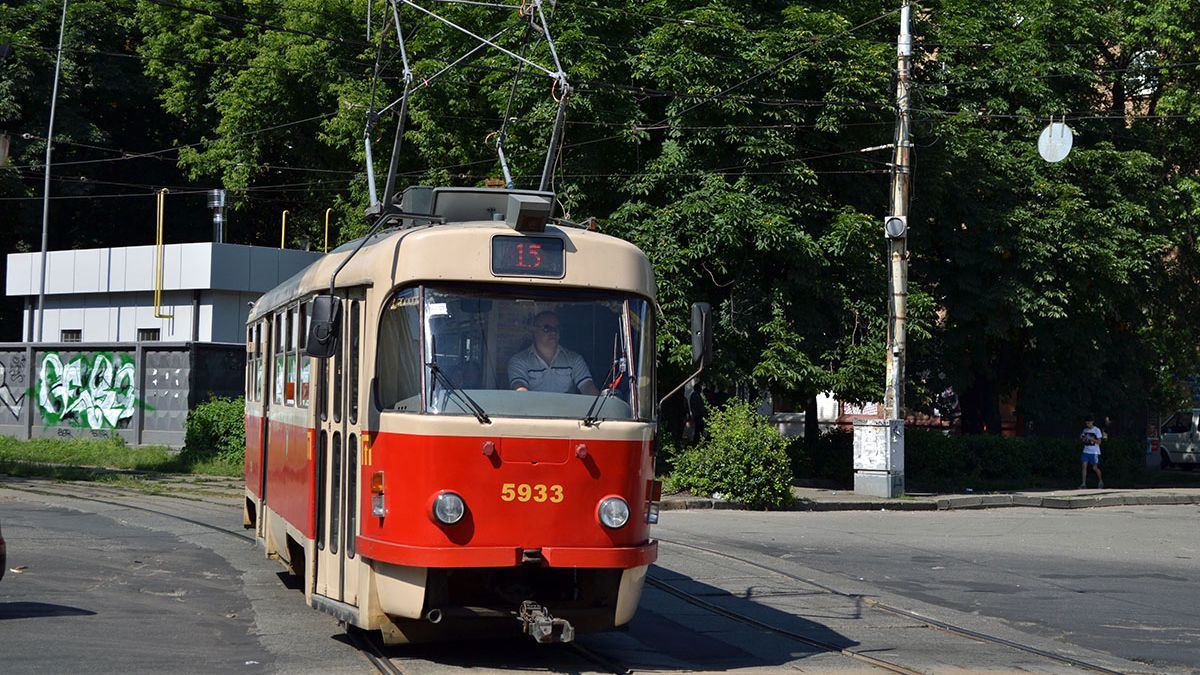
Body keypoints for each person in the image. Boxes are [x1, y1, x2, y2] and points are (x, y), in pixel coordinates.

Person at [508, 311, 599, 395]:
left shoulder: (575, 359)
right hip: (532, 411)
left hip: (568, 412)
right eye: (547, 328)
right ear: (534, 331)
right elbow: (520, 391)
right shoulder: (519, 360)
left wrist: (601, 402)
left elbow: (587, 387)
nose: (553, 332)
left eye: (557, 328)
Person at [1079, 414, 1104, 489]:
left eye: (1089, 423)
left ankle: (1100, 480)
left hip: (1094, 452)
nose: (1088, 424)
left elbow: (1099, 442)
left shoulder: (1097, 430)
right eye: (1086, 423)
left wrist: (1091, 439)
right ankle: (1083, 483)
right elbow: (1082, 439)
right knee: (1084, 466)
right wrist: (1083, 438)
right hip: (1086, 450)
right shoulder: (1085, 430)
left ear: (1092, 422)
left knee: (1094, 468)